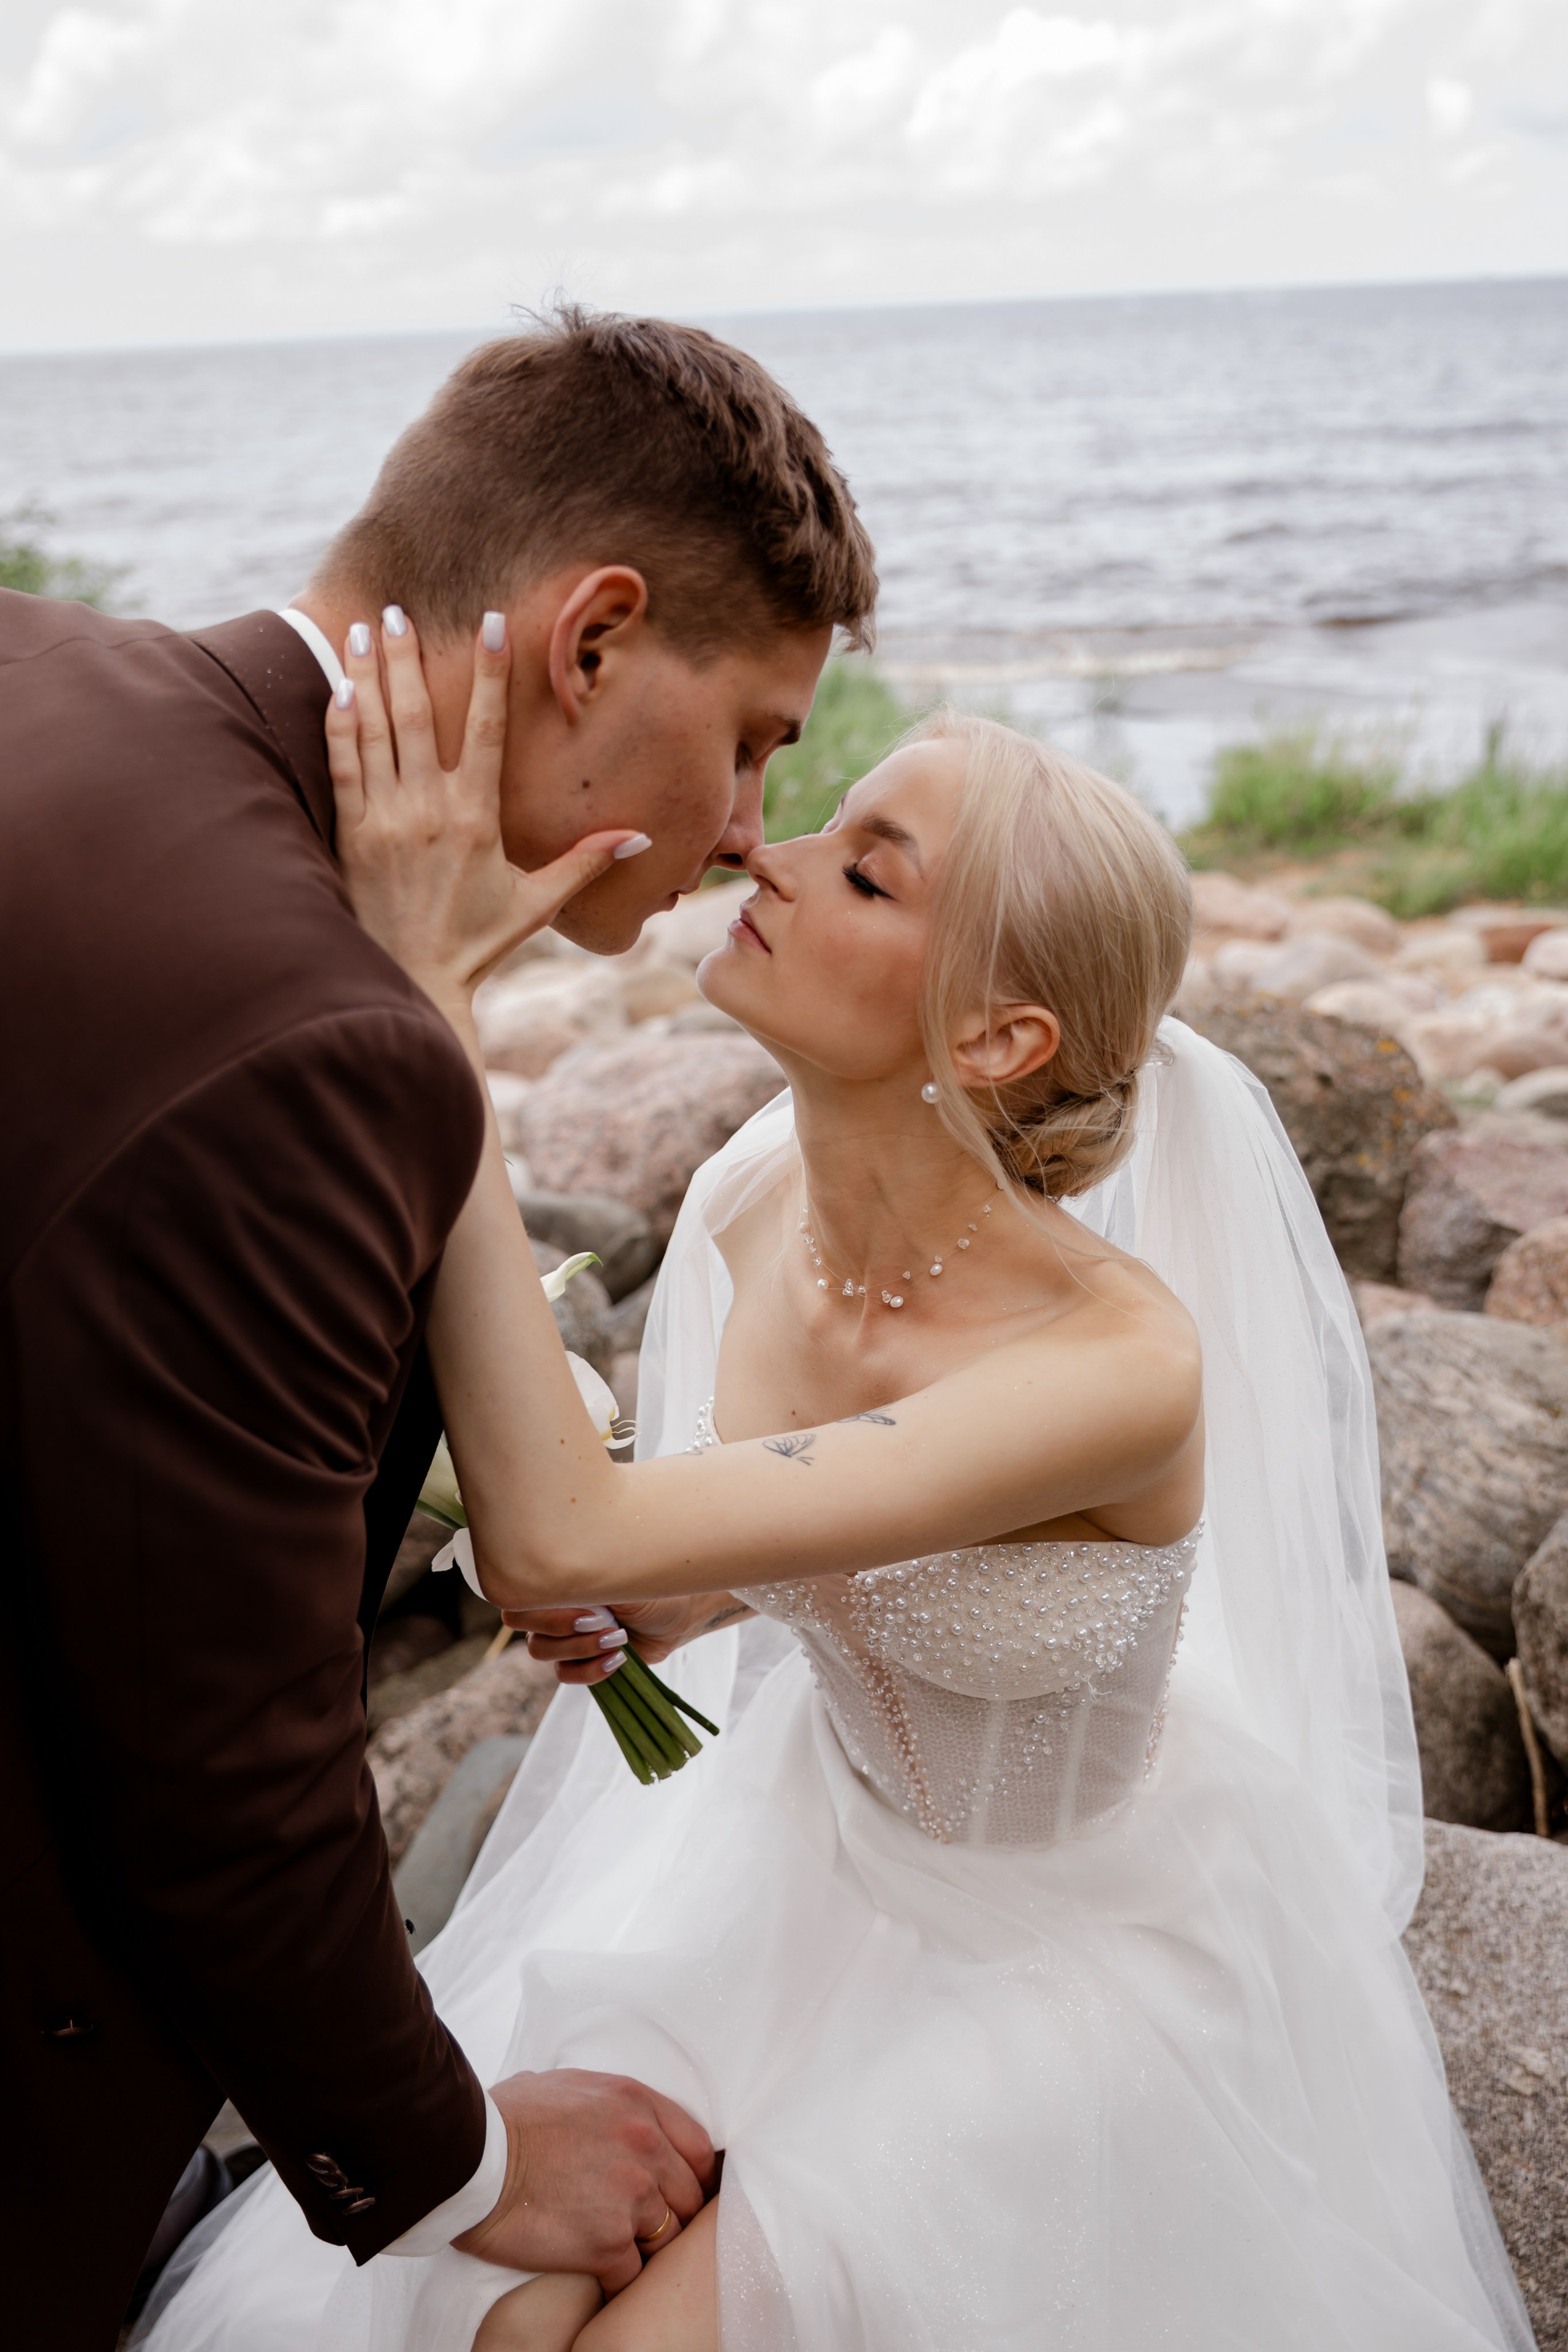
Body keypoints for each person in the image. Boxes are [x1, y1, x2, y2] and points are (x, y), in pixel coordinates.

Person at [137, 628, 1535, 2351]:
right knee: (494, 2324)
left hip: (1069, 1955)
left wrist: (431, 1009)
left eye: (866, 871)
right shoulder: (741, 1208)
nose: (761, 851)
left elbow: (566, 1513)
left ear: (1003, 1035)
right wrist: (665, 1596)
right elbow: (730, 1547)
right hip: (802, 1861)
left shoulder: (1113, 1368)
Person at [0, 305, 875, 2350]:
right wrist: (457, 2162)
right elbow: (218, 1758)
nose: (753, 824)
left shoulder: (43, 658)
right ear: (590, 640)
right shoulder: (311, 1038)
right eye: (751, 733)